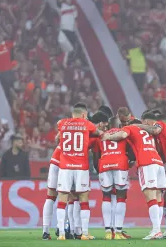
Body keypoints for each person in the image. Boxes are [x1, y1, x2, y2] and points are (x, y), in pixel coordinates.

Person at [101, 118, 166, 240]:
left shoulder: (130, 128)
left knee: (150, 196)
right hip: (158, 162)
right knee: (158, 197)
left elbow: (122, 134)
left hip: (146, 163)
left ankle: (156, 230)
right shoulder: (147, 132)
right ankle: (157, 229)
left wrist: (108, 137)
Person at [55, 103, 103, 240]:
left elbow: (59, 129)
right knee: (83, 199)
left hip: (65, 167)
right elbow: (99, 134)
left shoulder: (63, 123)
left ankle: (62, 234)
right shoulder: (87, 124)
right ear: (83, 115)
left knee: (62, 199)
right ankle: (84, 233)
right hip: (81, 167)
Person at [93, 116, 133, 240]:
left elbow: (95, 157)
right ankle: (118, 231)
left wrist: (99, 169)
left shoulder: (101, 136)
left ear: (108, 125)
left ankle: (108, 232)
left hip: (104, 165)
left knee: (106, 196)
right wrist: (129, 163)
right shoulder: (123, 135)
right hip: (120, 164)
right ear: (119, 125)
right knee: (121, 197)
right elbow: (131, 154)